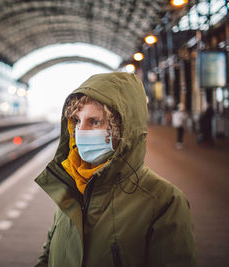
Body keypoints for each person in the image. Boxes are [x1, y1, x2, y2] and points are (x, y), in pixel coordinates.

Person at [34, 73, 196, 267]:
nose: (81, 131)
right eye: (77, 121)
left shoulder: (164, 202)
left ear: (123, 130)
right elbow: (47, 256)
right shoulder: (72, 184)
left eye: (94, 122)